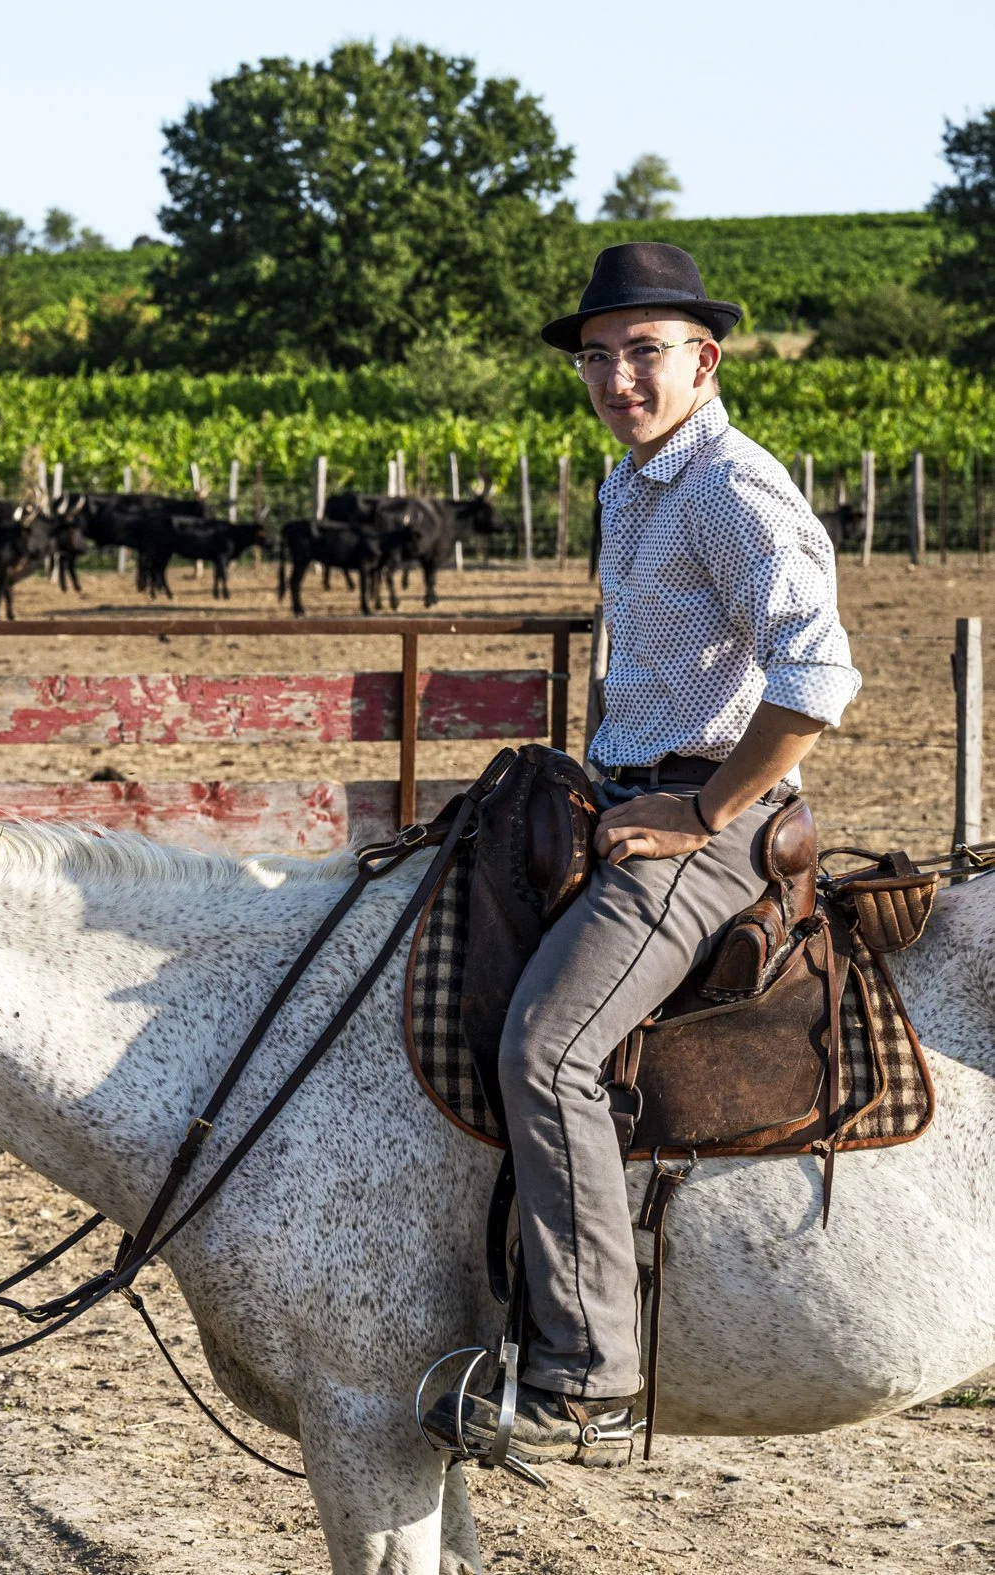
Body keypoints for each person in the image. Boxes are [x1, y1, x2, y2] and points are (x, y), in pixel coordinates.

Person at [425, 243, 861, 1463]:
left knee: (551, 1048)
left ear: (703, 360)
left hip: (705, 822)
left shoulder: (727, 485)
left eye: (645, 352)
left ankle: (589, 1381)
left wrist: (710, 810)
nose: (618, 376)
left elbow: (821, 672)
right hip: (622, 789)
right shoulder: (635, 482)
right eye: (597, 356)